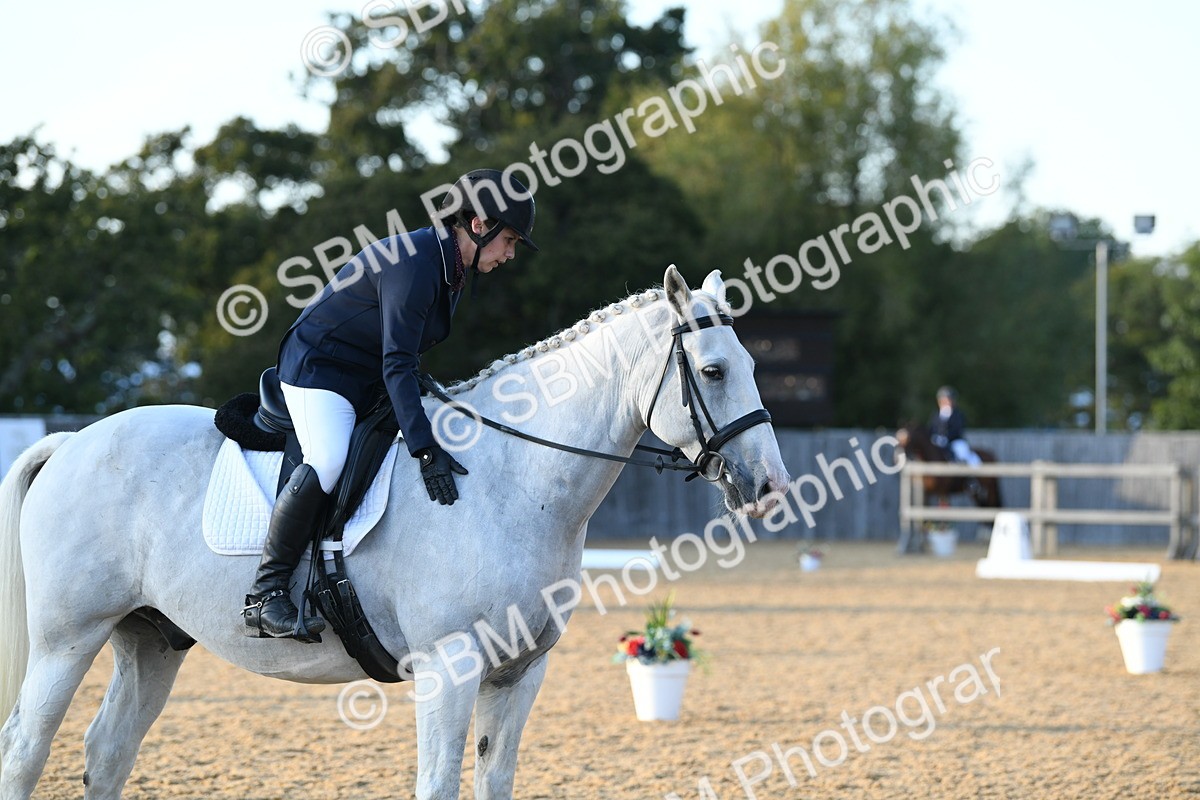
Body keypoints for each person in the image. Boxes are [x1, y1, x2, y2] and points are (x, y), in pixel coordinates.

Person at [242, 169, 538, 640]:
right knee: (328, 457)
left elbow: (402, 355)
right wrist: (425, 449)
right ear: (480, 225)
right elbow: (396, 361)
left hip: (363, 371)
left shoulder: (449, 265)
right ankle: (266, 593)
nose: (510, 254)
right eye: (510, 240)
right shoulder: (419, 261)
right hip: (320, 367)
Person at [928, 386, 981, 466]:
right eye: (943, 400)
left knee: (963, 453)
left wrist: (947, 438)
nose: (946, 402)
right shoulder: (935, 415)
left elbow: (957, 429)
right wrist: (935, 437)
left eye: (948, 399)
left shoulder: (958, 414)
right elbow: (931, 428)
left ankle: (970, 473)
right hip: (938, 441)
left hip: (955, 441)